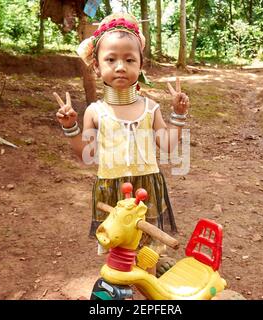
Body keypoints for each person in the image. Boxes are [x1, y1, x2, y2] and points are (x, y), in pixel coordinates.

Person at [54, 13, 190, 255]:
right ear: (96, 66)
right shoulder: (95, 111)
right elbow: (87, 155)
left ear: (140, 65)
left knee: (147, 247)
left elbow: (168, 145)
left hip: (146, 188)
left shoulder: (150, 108)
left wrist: (178, 115)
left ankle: (148, 278)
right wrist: (70, 127)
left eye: (129, 60)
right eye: (110, 59)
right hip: (112, 189)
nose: (120, 67)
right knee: (117, 247)